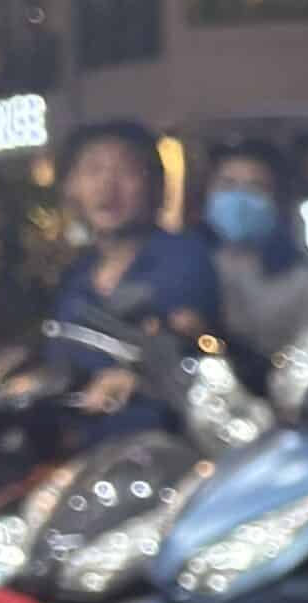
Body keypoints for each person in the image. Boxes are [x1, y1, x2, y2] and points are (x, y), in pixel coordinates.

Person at [51, 119, 219, 431]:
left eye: (125, 171)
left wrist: (140, 376)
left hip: (171, 450)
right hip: (91, 458)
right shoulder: (76, 278)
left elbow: (187, 336)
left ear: (155, 185)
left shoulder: (184, 256)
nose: (107, 186)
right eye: (92, 171)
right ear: (71, 188)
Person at [203, 140, 308, 357]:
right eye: (228, 185)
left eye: (255, 188)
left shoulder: (306, 286)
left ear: (278, 200)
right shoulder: (186, 268)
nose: (240, 199)